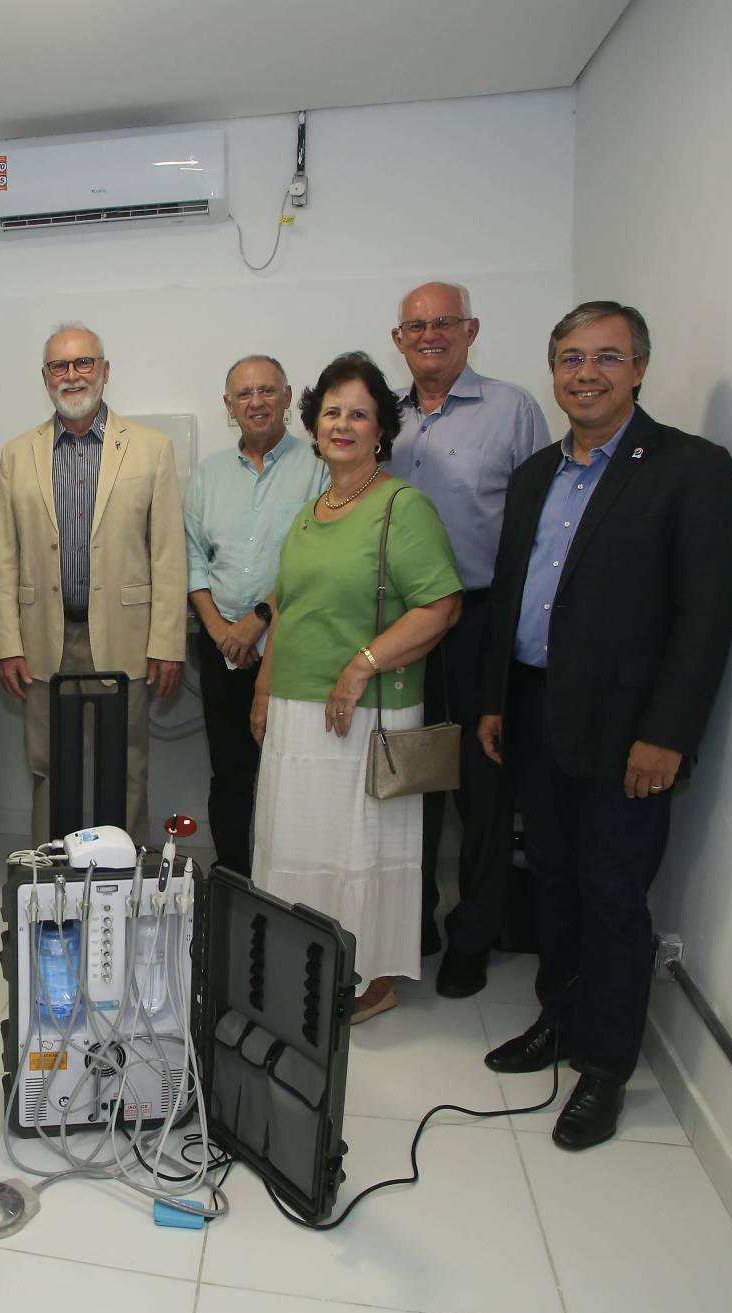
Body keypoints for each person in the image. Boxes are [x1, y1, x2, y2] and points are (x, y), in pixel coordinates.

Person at [477, 302, 732, 1150]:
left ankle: (604, 1068)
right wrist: (493, 700)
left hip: (628, 733)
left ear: (638, 369)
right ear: (553, 370)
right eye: (570, 358)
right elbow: (510, 599)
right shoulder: (532, 476)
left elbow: (706, 615)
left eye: (605, 357)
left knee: (613, 894)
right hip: (534, 709)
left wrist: (669, 732)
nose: (585, 373)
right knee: (550, 880)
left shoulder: (688, 469)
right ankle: (560, 1017)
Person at [250, 353, 463, 1024]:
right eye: (332, 411)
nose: (343, 423)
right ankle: (303, 961)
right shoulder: (311, 511)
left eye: (359, 413)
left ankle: (371, 976)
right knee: (298, 844)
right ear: (314, 426)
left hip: (367, 715)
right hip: (294, 709)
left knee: (360, 849)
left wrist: (361, 664)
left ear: (381, 431)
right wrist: (261, 688)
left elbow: (440, 606)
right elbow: (286, 608)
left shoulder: (403, 507)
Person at [386, 282, 555, 992]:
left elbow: (539, 528)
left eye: (443, 322)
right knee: (406, 781)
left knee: (483, 790)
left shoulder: (512, 409)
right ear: (399, 338)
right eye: (415, 325)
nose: (429, 335)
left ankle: (472, 937)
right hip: (402, 626)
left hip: (483, 621)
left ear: (470, 329)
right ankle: (411, 922)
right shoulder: (383, 416)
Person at [0, 323, 186, 846]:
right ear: (45, 377)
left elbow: (168, 554)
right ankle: (50, 882)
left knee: (126, 771)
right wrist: (8, 643)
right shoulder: (16, 454)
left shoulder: (151, 450)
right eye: (60, 365)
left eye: (83, 363)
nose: (72, 375)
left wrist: (166, 644)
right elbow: (5, 557)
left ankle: (122, 887)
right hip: (43, 639)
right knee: (48, 769)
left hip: (125, 637)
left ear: (105, 370)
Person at [183, 355, 326, 875]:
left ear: (288, 397)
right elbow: (192, 556)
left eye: (267, 391)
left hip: (289, 643)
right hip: (220, 648)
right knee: (230, 773)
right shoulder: (208, 476)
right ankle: (233, 880)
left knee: (290, 774)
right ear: (228, 407)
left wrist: (259, 619)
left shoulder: (318, 467)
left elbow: (313, 561)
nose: (256, 402)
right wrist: (221, 629)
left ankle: (287, 884)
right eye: (244, 395)